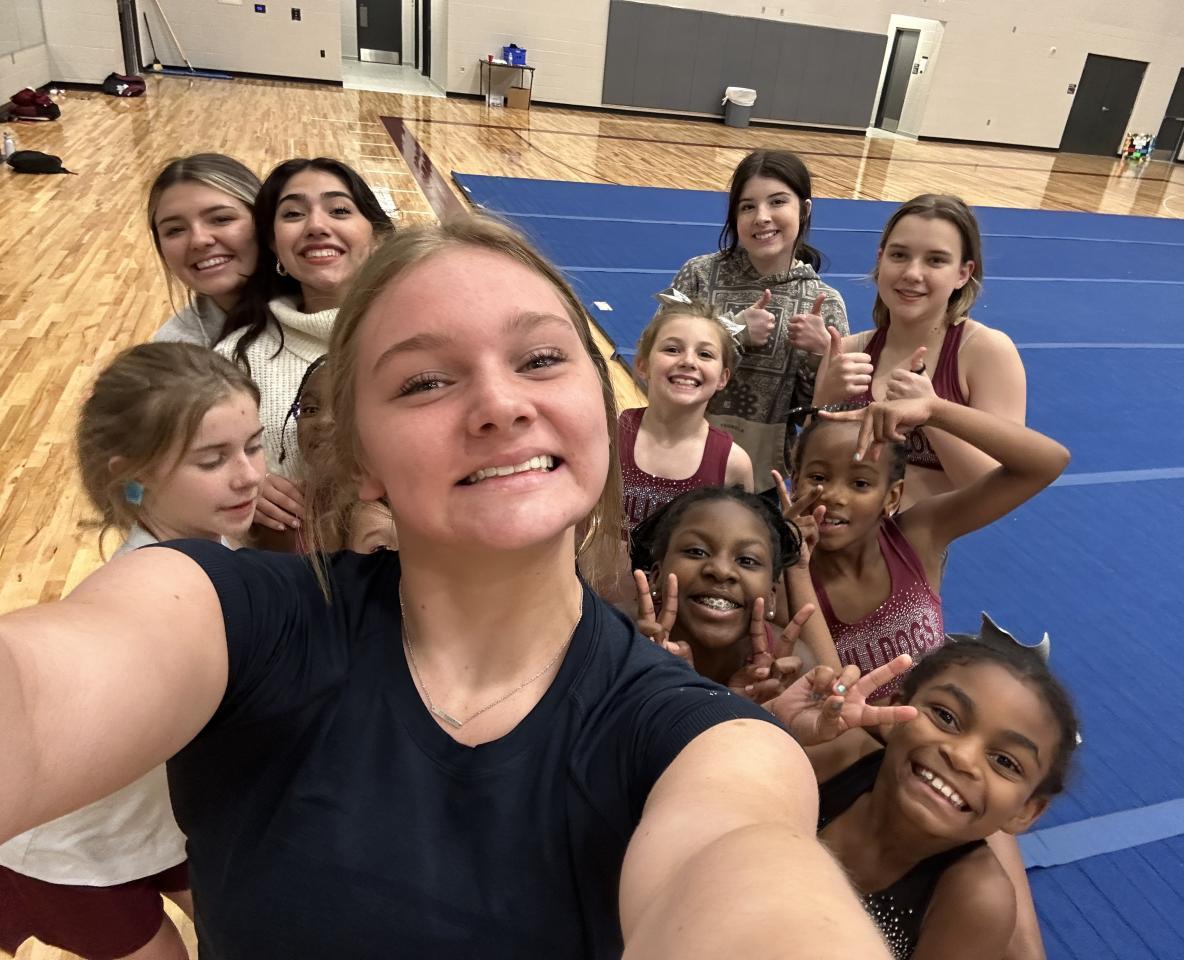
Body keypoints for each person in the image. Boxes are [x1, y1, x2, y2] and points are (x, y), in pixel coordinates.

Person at [0, 218, 891, 960]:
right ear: (361, 458)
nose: (500, 404)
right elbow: (36, 701)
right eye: (425, 381)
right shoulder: (225, 616)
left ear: (597, 404)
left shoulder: (712, 746)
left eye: (540, 359)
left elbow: (747, 877)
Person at [0, 342, 265, 960]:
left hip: (163, 824)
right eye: (213, 459)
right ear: (134, 476)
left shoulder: (218, 542)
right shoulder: (150, 594)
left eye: (253, 446)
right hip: (69, 858)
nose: (249, 475)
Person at [785, 637, 1080, 959]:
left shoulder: (977, 901)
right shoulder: (832, 756)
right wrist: (771, 719)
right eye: (946, 717)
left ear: (1025, 811)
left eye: (1005, 762)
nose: (962, 757)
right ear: (893, 715)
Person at [787, 394, 1068, 698]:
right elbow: (830, 695)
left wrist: (935, 410)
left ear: (892, 497)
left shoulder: (919, 535)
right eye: (818, 477)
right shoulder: (785, 580)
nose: (833, 496)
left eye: (860, 483)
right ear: (795, 481)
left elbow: (1048, 462)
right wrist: (795, 566)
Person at [218, 156, 394, 541]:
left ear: (377, 236)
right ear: (273, 245)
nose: (316, 226)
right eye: (294, 214)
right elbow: (192, 473)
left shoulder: (421, 337)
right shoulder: (235, 358)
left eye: (339, 210)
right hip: (279, 569)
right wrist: (239, 486)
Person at [815, 194, 1026, 510]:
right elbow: (808, 469)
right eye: (899, 255)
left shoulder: (985, 352)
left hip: (925, 540)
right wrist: (825, 399)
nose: (913, 273)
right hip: (839, 534)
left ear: (963, 273)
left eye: (935, 260)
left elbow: (1002, 489)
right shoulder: (847, 352)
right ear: (881, 259)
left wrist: (933, 414)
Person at [667, 149, 850, 490]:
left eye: (777, 202)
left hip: (760, 477)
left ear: (804, 209)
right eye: (747, 206)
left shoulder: (825, 303)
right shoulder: (697, 274)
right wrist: (732, 330)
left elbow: (826, 418)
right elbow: (652, 360)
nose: (762, 217)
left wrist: (821, 356)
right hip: (677, 457)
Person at [627, 486, 819, 700]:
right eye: (697, 551)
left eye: (747, 560)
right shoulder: (615, 637)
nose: (721, 571)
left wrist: (760, 713)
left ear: (771, 598)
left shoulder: (793, 671)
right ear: (656, 577)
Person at [620, 297, 753, 536]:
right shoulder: (608, 436)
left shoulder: (733, 464)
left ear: (723, 378)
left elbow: (736, 541)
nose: (689, 361)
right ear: (642, 365)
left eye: (705, 354)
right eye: (672, 349)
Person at [147, 154, 261, 347]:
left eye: (221, 219)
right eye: (175, 230)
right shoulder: (175, 349)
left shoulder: (317, 305)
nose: (199, 240)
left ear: (264, 219)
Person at [292, 355, 398, 554]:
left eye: (343, 408)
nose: (323, 421)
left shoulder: (380, 520)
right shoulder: (288, 510)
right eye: (310, 409)